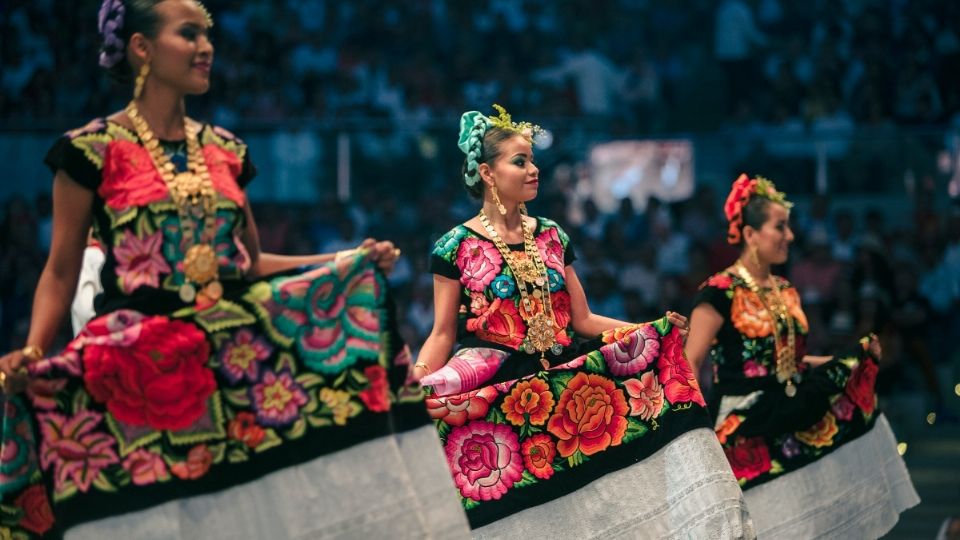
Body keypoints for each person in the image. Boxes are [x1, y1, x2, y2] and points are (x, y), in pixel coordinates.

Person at [0, 1, 468, 537]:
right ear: (141, 47)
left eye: (208, 35)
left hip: (233, 353)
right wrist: (34, 349)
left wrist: (342, 262)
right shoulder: (88, 152)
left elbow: (247, 262)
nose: (206, 48)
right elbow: (61, 271)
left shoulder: (226, 151)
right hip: (137, 360)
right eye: (189, 34)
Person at [412, 105, 754, 538]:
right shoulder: (454, 245)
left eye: (533, 160)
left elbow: (583, 319)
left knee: (589, 505)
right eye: (520, 161)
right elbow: (442, 333)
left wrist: (647, 330)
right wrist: (418, 377)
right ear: (487, 172)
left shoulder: (552, 234)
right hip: (498, 390)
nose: (534, 169)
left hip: (564, 382)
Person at [685, 173, 919, 538]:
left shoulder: (787, 290)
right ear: (750, 234)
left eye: (789, 227)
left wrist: (848, 361)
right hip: (744, 425)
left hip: (792, 411)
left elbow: (793, 362)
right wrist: (693, 437)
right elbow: (689, 367)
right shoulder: (718, 293)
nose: (790, 236)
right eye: (780, 227)